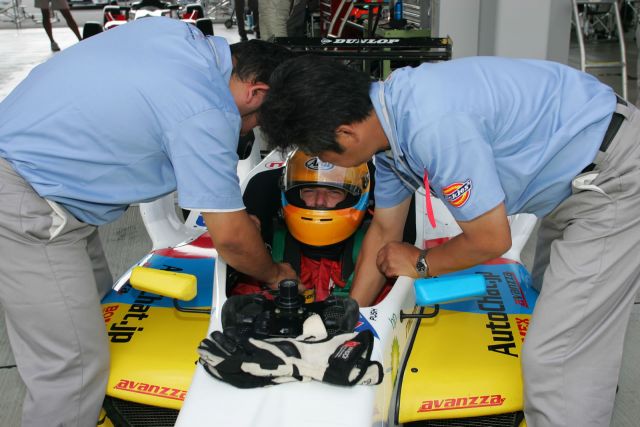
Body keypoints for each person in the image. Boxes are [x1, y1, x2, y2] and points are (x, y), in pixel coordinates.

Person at [258, 54, 640, 427]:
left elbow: (491, 239)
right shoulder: (387, 126)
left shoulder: (431, 126)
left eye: (323, 154)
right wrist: (348, 318)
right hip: (574, 178)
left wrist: (422, 262)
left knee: (559, 357)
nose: (331, 165)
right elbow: (385, 231)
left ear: (345, 134)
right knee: (549, 311)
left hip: (611, 180)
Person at [0, 18, 295, 427]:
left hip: (47, 181)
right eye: (257, 121)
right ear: (256, 92)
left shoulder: (180, 38)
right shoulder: (206, 107)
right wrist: (275, 273)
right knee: (71, 369)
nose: (248, 129)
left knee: (110, 319)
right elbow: (231, 241)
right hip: (29, 201)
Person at [232, 150, 374, 302]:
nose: (320, 201)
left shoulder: (373, 251)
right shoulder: (264, 253)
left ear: (355, 196)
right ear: (292, 194)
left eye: (333, 191)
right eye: (309, 191)